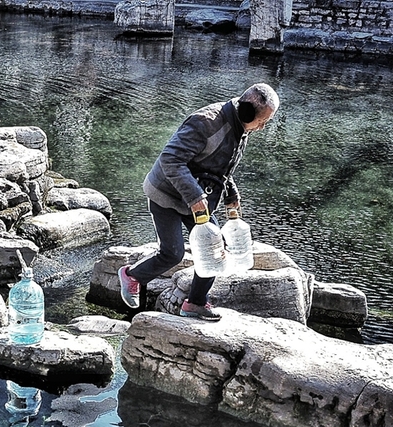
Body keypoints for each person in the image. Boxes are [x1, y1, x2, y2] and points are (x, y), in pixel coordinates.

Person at [117, 83, 280, 321]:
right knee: (172, 253)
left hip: (196, 196)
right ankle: (132, 276)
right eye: (262, 121)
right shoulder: (206, 122)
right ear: (246, 112)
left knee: (214, 250)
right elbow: (171, 160)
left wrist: (231, 194)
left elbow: (220, 166)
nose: (262, 127)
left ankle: (195, 303)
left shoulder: (240, 127)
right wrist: (195, 196)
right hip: (166, 193)